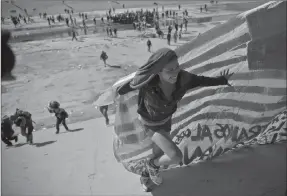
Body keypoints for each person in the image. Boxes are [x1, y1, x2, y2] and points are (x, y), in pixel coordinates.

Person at [116, 48, 233, 191]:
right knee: (175, 156)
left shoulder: (183, 78)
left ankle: (146, 175)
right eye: (169, 70)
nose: (175, 72)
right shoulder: (147, 82)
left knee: (158, 154)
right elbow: (125, 88)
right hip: (150, 124)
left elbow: (201, 80)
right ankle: (151, 166)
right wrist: (116, 93)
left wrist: (221, 80)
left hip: (166, 120)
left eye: (177, 67)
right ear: (158, 71)